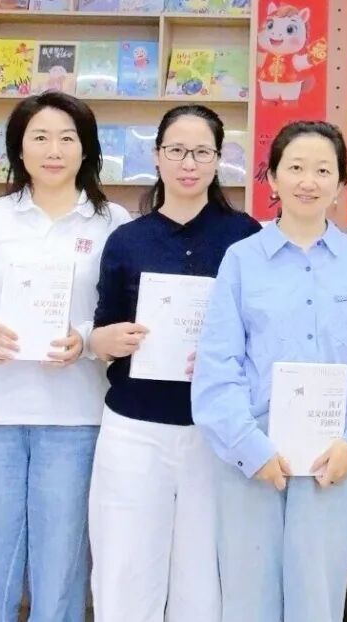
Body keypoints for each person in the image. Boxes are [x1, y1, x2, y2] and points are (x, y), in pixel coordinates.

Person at [191, 120, 347, 622]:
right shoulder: (241, 260)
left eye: (323, 170)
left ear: (341, 183)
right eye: (296, 168)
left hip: (334, 460)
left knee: (318, 601)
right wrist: (250, 447)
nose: (309, 181)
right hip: (253, 460)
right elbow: (217, 366)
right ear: (273, 177)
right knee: (248, 602)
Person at [0, 91, 132, 621]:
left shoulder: (112, 221)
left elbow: (121, 309)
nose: (54, 150)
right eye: (41, 138)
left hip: (75, 415)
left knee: (62, 561)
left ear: (86, 149)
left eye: (68, 138)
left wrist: (84, 338)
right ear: (19, 149)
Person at [87, 104, 261, 621]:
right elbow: (102, 327)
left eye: (202, 152)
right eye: (177, 150)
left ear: (219, 159)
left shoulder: (246, 237)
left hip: (215, 431)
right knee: (125, 568)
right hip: (135, 426)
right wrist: (105, 339)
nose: (189, 163)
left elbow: (263, 332)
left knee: (203, 578)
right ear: (157, 156)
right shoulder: (127, 239)